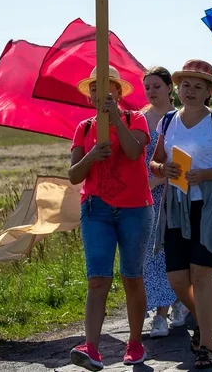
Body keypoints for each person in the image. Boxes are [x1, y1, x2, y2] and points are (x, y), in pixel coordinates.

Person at [150, 60, 212, 369]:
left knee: (202, 275)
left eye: (198, 86)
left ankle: (206, 343)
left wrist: (205, 174)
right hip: (177, 207)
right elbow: (155, 162)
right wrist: (163, 169)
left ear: (208, 92)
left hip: (210, 206)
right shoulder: (167, 121)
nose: (190, 91)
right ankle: (205, 320)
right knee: (177, 279)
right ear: (178, 89)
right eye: (185, 85)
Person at [68, 66, 153, 370]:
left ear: (118, 92)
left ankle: (135, 343)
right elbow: (74, 176)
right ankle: (91, 347)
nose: (99, 92)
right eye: (94, 88)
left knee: (132, 277)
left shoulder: (136, 119)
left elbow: (133, 153)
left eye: (106, 87)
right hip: (96, 210)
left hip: (134, 208)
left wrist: (115, 119)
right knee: (97, 278)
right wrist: (92, 156)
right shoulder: (85, 128)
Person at [141, 67, 186, 339]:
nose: (151, 91)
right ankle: (161, 312)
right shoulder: (140, 120)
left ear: (170, 88)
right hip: (145, 196)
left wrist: (163, 181)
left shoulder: (180, 118)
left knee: (176, 252)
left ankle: (175, 304)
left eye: (156, 86)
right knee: (152, 255)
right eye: (147, 87)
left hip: (176, 193)